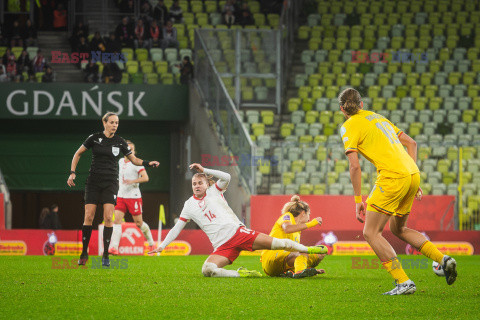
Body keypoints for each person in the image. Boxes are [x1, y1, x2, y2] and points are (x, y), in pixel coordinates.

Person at [338, 88, 457, 295]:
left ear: (342, 109)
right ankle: (443, 260)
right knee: (399, 229)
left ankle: (403, 282)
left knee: (370, 232)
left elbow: (354, 166)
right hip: (412, 174)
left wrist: (358, 200)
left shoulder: (348, 126)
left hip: (392, 177)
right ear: (362, 105)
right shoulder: (379, 118)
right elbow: (411, 143)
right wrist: (412, 175)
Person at [149, 164, 328, 277]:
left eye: (200, 182)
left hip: (238, 233)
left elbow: (226, 177)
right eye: (194, 184)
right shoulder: (188, 205)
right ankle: (242, 274)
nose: (197, 186)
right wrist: (162, 246)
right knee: (208, 270)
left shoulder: (215, 191)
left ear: (206, 184)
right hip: (222, 246)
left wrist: (204, 170)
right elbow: (177, 228)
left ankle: (308, 249)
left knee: (277, 243)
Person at [67, 112, 159, 267]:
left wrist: (148, 163)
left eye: (117, 123)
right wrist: (72, 173)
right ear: (104, 123)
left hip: (111, 183)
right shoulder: (94, 138)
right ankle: (84, 253)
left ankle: (105, 255)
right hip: (93, 182)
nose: (115, 125)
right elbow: (77, 154)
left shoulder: (120, 142)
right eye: (112, 122)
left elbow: (135, 160)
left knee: (109, 218)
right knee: (88, 216)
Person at [261, 195, 326, 278]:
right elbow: (287, 228)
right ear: (303, 213)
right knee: (301, 251)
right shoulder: (287, 216)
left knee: (321, 252)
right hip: (270, 258)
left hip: (282, 264)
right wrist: (312, 223)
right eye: (309, 214)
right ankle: (299, 272)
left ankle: (297, 271)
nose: (309, 218)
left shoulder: (297, 230)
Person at [109, 140, 155, 255]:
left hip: (133, 196)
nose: (130, 151)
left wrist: (132, 181)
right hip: (121, 196)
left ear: (134, 151)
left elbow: (145, 178)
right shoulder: (120, 161)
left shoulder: (136, 163)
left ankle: (151, 244)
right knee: (117, 221)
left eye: (132, 149)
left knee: (139, 223)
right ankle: (114, 248)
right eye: (128, 149)